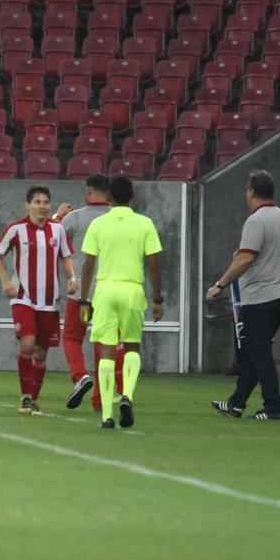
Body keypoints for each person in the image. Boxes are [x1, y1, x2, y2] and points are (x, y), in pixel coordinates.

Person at [206, 170, 280, 421]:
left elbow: (245, 258)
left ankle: (274, 407)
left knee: (258, 351)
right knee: (254, 350)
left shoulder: (256, 220)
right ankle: (236, 403)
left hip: (261, 296)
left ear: (251, 191)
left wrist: (221, 284)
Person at [78, 175, 163, 429]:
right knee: (132, 347)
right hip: (132, 289)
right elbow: (153, 264)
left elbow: (89, 264)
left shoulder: (99, 224)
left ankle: (106, 415)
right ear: (132, 196)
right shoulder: (145, 223)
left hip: (104, 289)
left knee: (106, 350)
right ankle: (127, 395)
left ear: (109, 197)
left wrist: (84, 299)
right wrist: (157, 297)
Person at [0, 186, 77, 413]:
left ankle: (34, 398)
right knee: (27, 343)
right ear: (27, 205)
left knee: (41, 351)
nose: (42, 206)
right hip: (23, 297)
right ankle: (25, 395)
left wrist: (72, 277)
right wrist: (5, 281)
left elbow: (67, 257)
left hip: (49, 301)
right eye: (37, 202)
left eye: (45, 202)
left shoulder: (57, 230)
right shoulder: (16, 229)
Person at [57, 175, 126, 411]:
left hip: (81, 291)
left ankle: (79, 377)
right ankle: (102, 397)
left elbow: (51, 240)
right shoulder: (120, 218)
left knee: (72, 337)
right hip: (111, 290)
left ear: (88, 192)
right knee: (106, 343)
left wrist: (57, 216)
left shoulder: (73, 218)